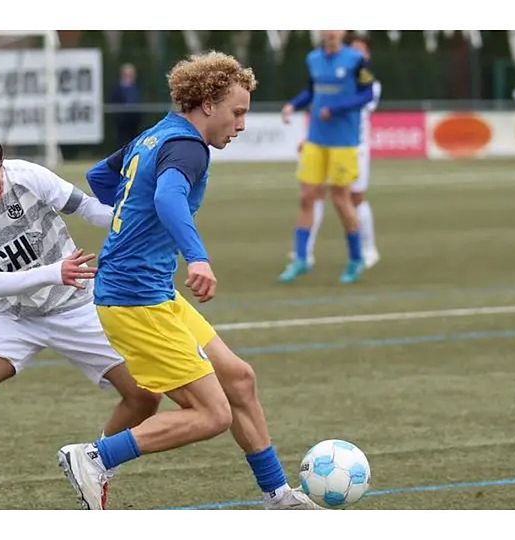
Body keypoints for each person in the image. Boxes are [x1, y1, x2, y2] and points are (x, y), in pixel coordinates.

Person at [57, 52, 319, 511]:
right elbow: (169, 196)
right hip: (136, 300)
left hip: (152, 290)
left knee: (238, 379)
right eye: (237, 112)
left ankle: (279, 497)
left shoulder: (156, 135)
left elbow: (100, 176)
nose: (240, 125)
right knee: (212, 413)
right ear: (207, 105)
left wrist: (129, 221)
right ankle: (96, 456)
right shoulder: (189, 146)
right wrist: (197, 257)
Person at [0, 122, 161, 510]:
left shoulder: (26, 175)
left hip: (78, 306)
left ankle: (97, 465)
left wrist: (138, 215)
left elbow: (88, 209)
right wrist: (55, 271)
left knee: (146, 395)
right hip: (15, 317)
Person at [279, 30, 378, 284]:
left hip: (343, 142)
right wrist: (293, 104)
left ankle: (356, 259)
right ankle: (301, 259)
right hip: (315, 139)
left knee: (341, 200)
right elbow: (312, 92)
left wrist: (336, 109)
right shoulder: (313, 59)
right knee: (307, 197)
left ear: (342, 32)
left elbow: (367, 94)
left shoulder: (356, 60)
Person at [301, 33, 382, 270]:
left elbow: (359, 100)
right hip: (325, 141)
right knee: (313, 194)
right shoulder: (330, 65)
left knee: (354, 198)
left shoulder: (369, 83)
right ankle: (304, 253)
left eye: (361, 51)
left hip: (354, 146)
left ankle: (368, 249)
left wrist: (334, 107)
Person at [109, 63, 143, 147]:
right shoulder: (117, 88)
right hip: (122, 120)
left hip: (134, 119)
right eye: (127, 74)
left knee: (135, 140)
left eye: (131, 74)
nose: (130, 76)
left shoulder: (137, 87)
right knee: (122, 141)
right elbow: (114, 101)